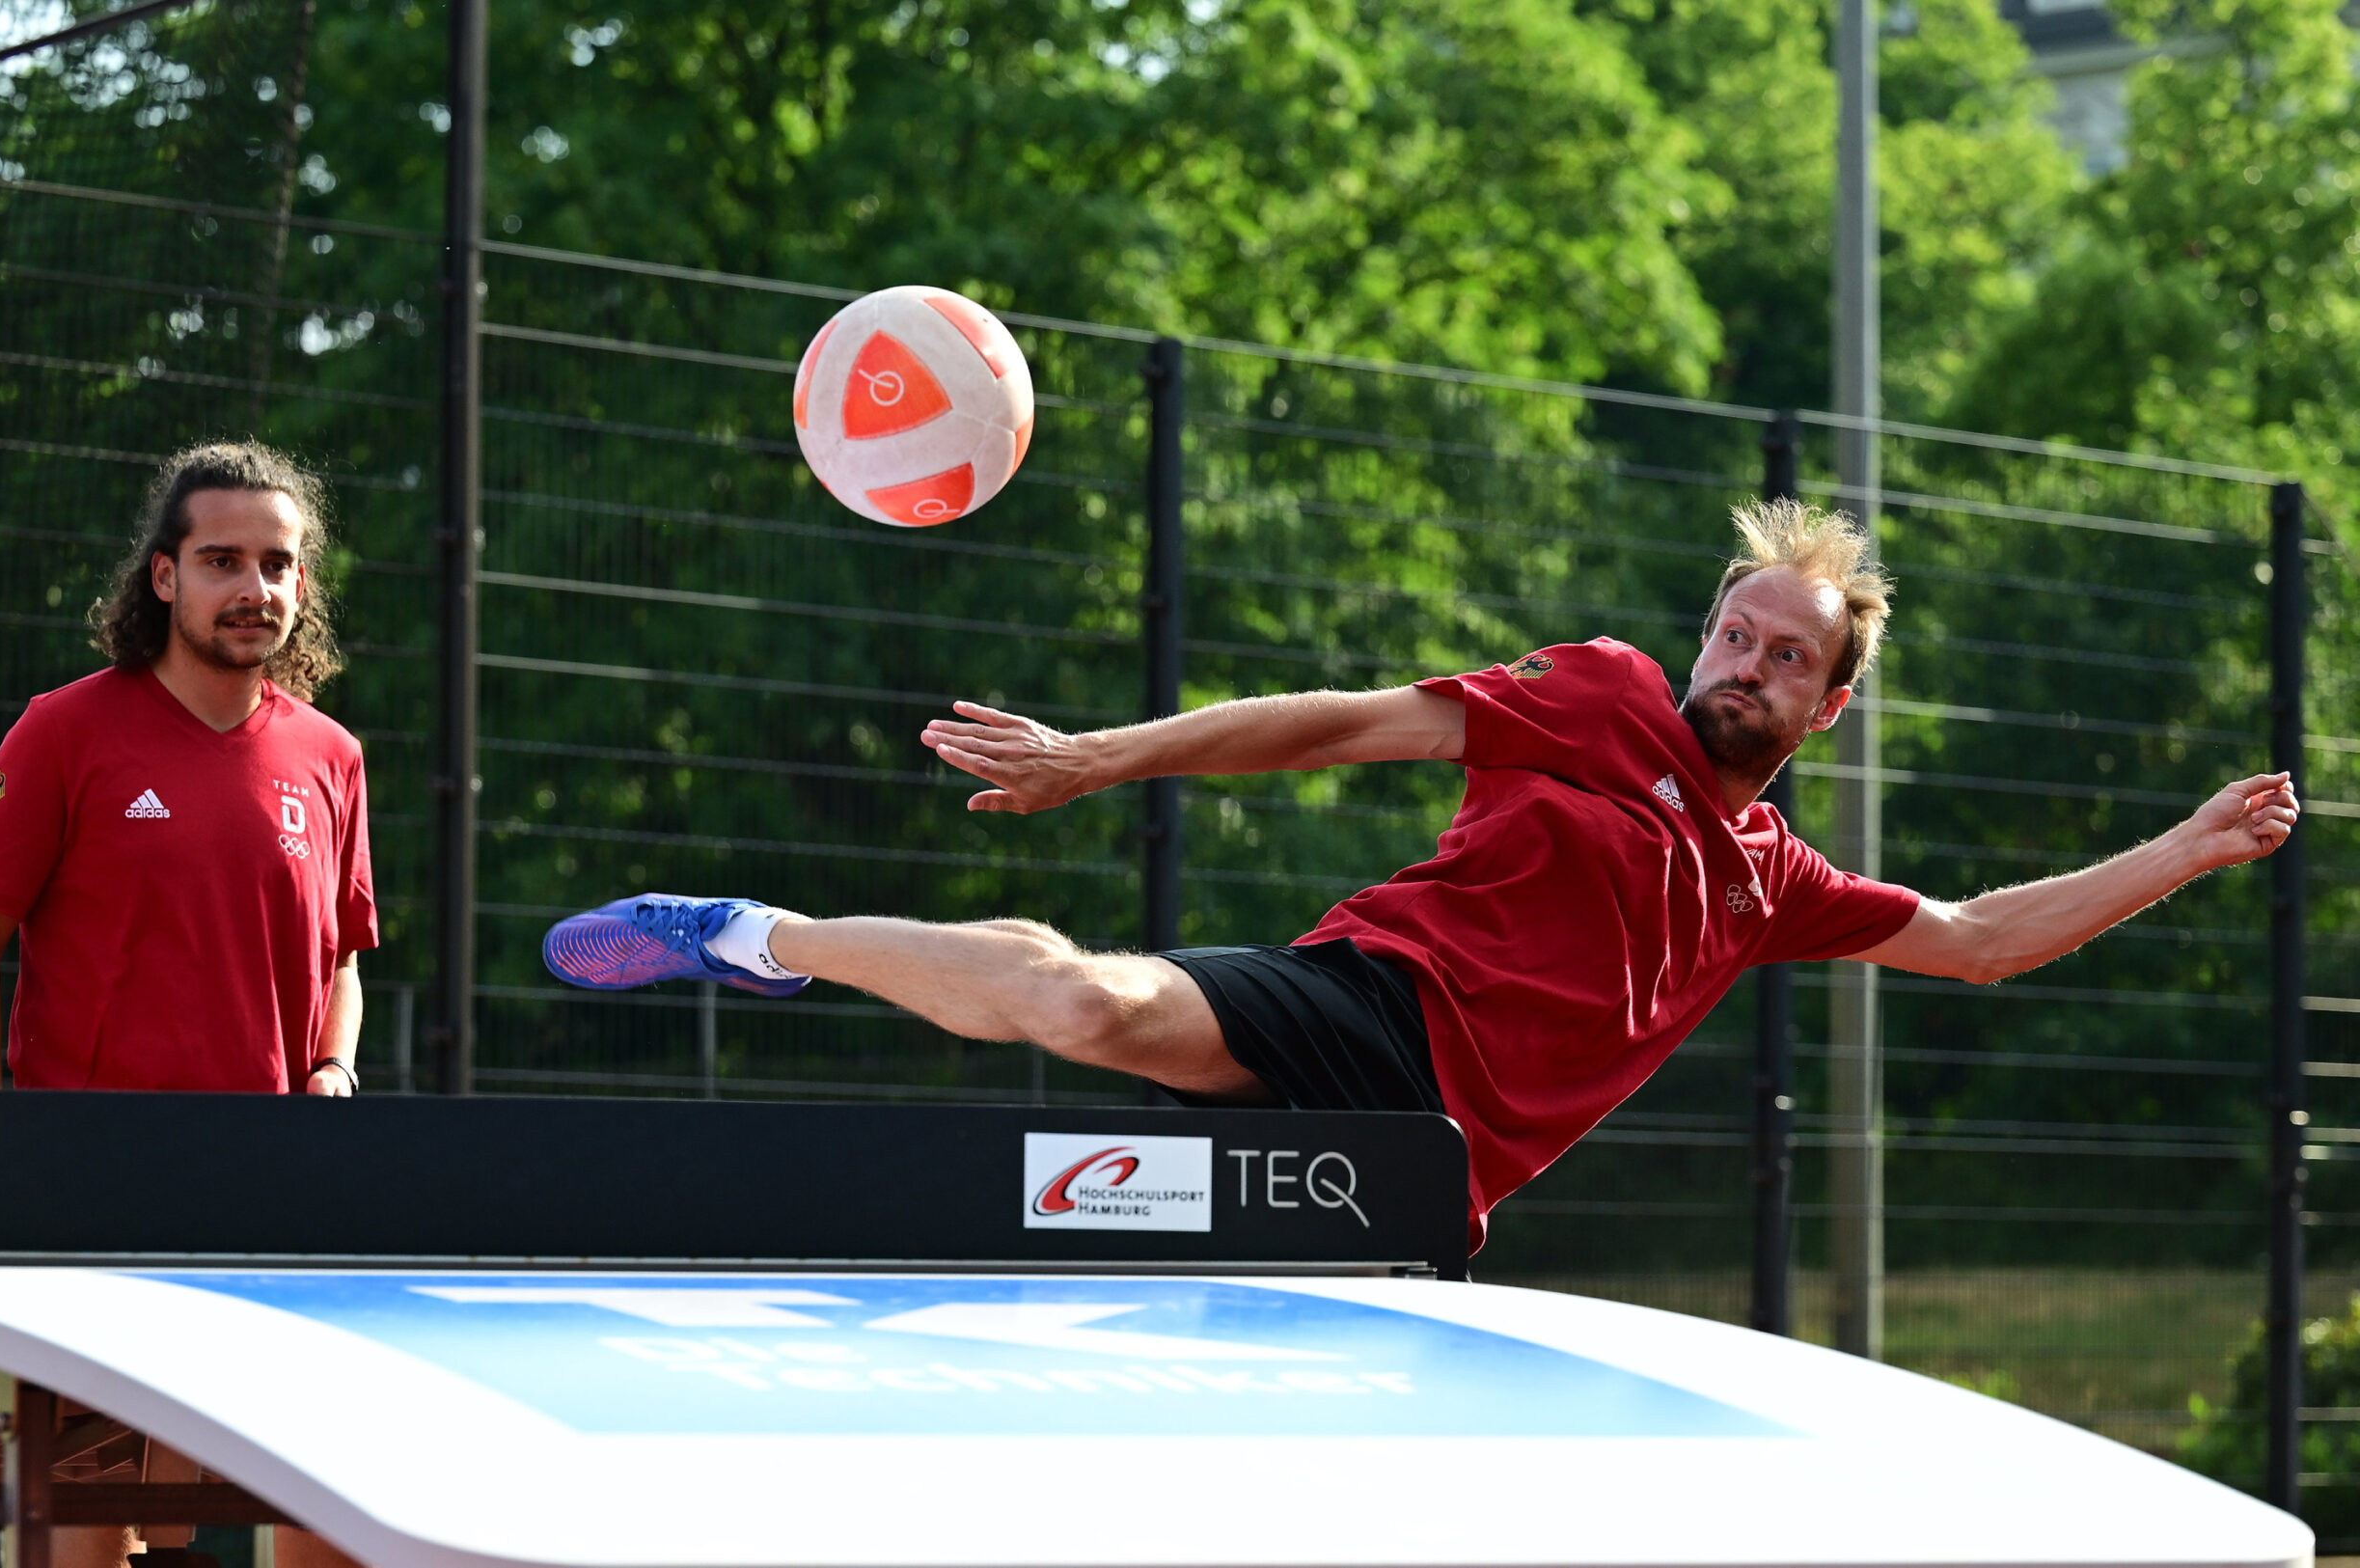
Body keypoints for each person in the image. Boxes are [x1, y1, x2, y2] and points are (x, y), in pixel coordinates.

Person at [540, 499, 2298, 1249]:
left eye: (1783, 657)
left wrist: (2191, 845)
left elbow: (1984, 941)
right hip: (1355, 1015)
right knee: (1091, 1002)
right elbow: (1334, 727)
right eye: (1733, 628)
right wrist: (1100, 753)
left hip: (1428, 1190)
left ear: (1832, 705)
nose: (1742, 662)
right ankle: (755, 932)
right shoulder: (1597, 697)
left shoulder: (1769, 879)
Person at [0, 441, 378, 1567]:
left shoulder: (331, 756)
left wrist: (332, 1065)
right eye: (221, 559)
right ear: (164, 575)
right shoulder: (64, 728)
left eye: (277, 563)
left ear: (302, 587)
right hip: (88, 1180)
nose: (253, 588)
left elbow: (342, 956)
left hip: (274, 1187)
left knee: (304, 1503)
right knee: (83, 1528)